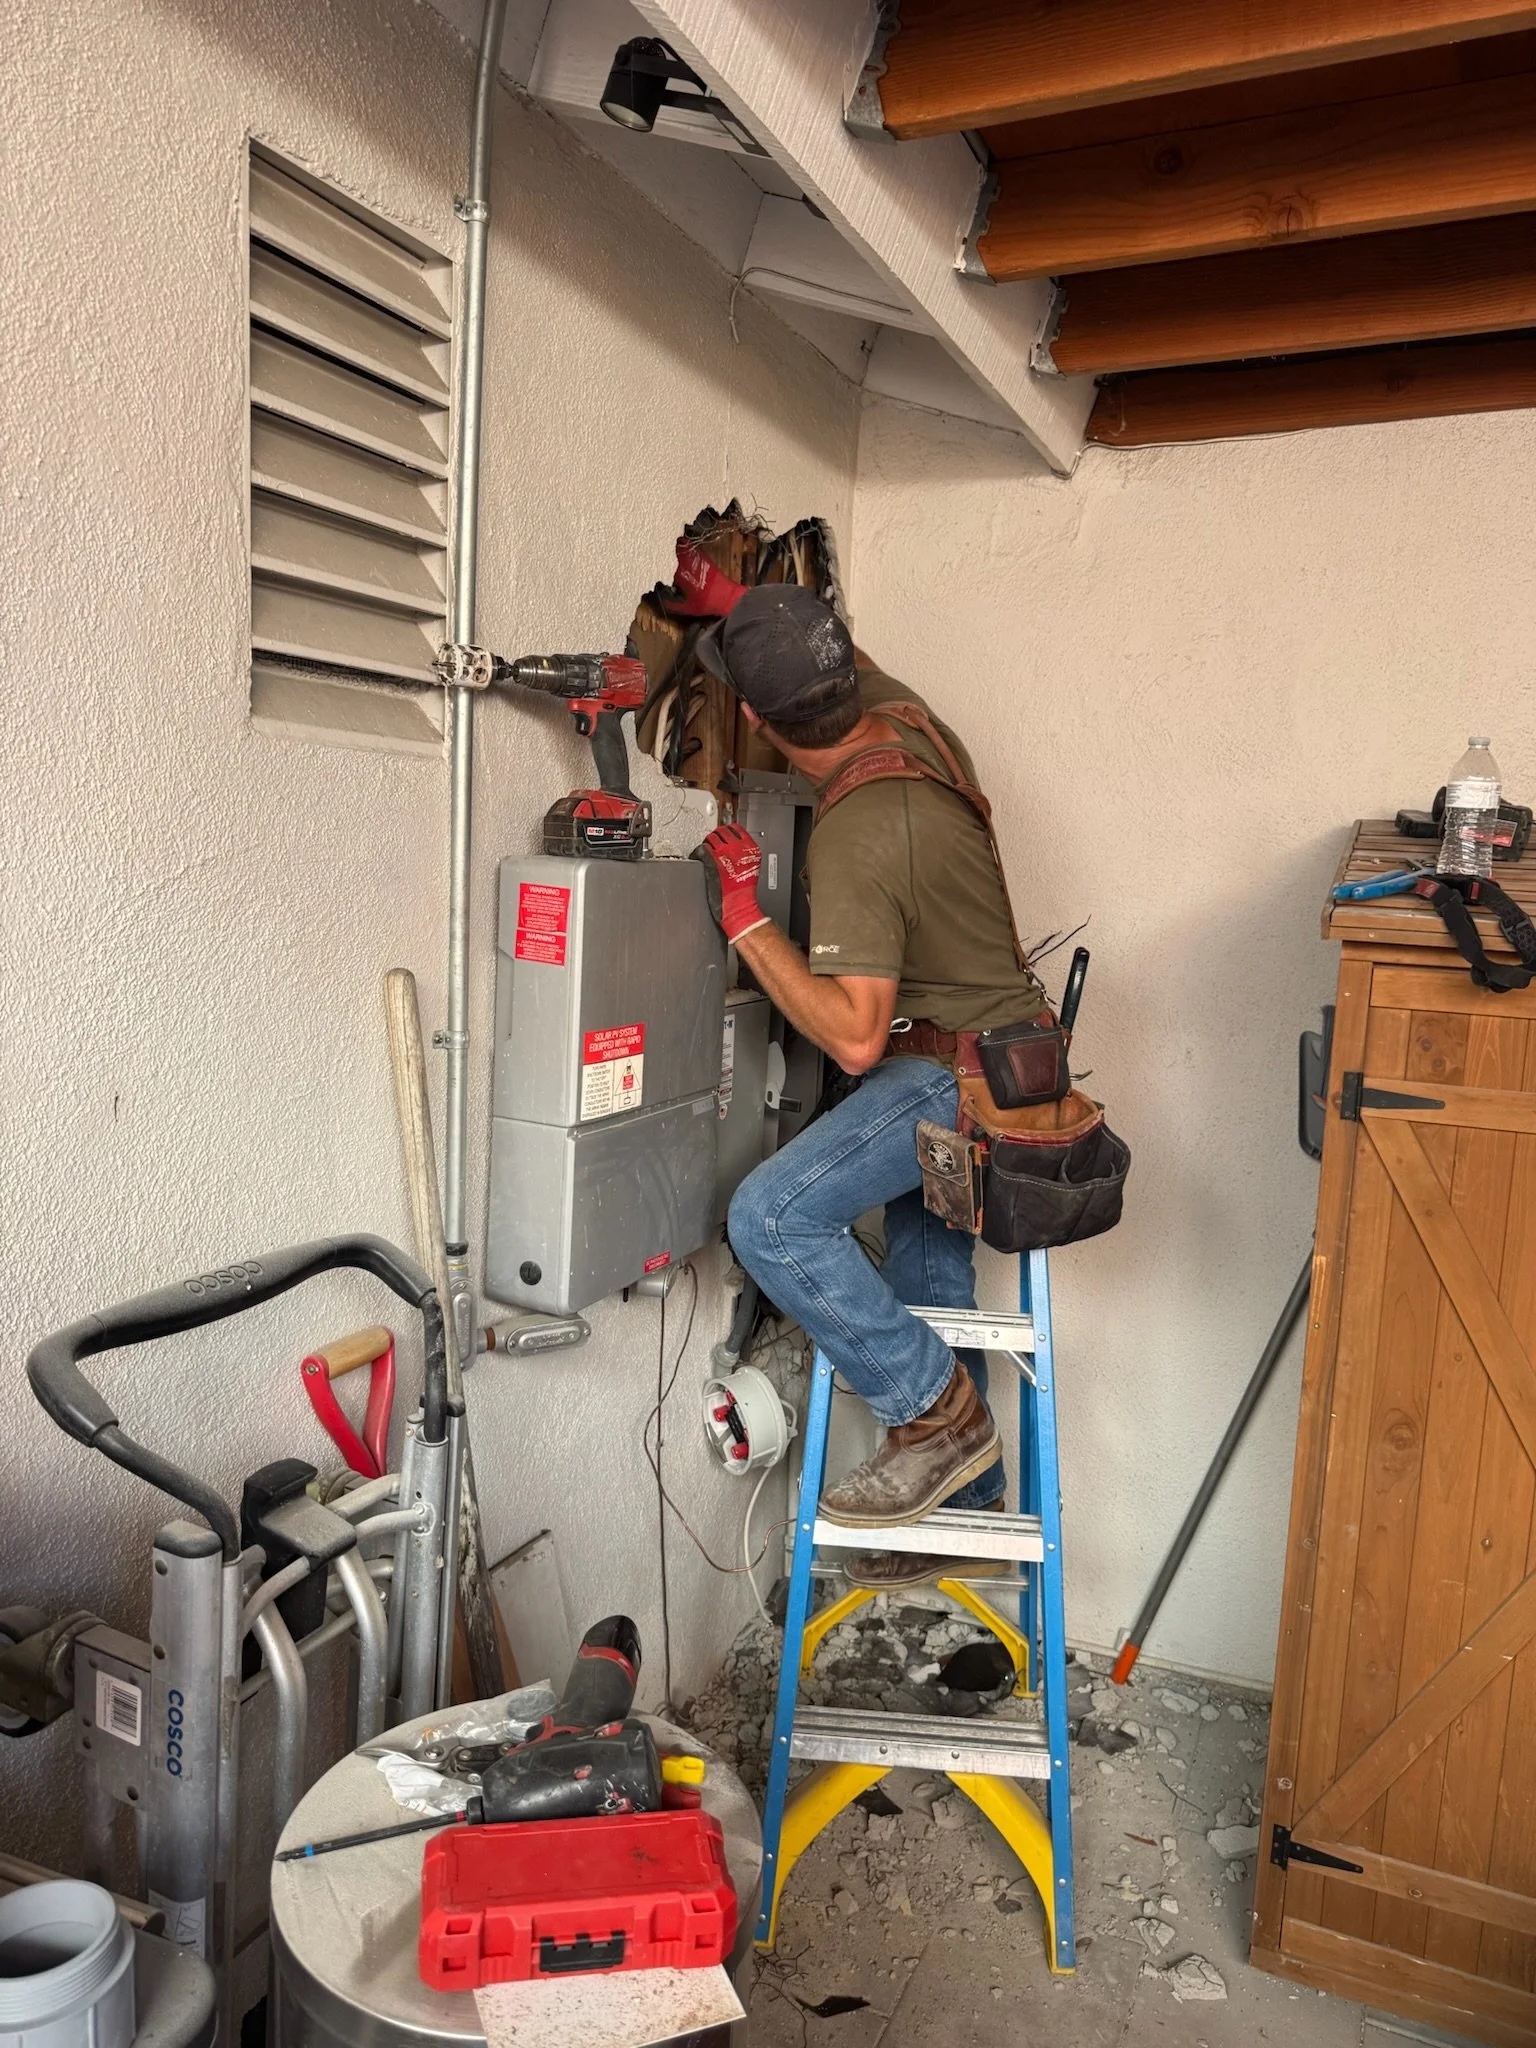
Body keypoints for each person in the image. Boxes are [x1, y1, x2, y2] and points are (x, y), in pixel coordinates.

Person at [694, 585, 1051, 1587]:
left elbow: (854, 1037)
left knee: (768, 1217)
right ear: (842, 667)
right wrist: (750, 609)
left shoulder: (856, 832)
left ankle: (937, 1417)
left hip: (950, 1083)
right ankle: (963, 1506)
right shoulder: (914, 722)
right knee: (929, 1285)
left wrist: (746, 920)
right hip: (1012, 1067)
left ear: (759, 719)